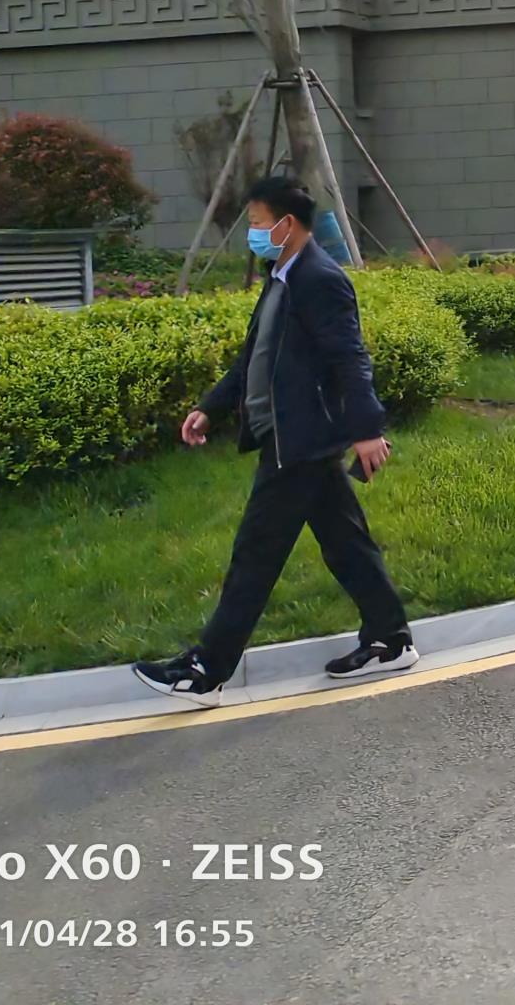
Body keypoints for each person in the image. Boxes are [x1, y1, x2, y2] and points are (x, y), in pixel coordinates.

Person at [133, 177, 410, 708]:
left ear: (287, 224)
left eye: (259, 223)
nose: (254, 233)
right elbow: (254, 357)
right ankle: (390, 639)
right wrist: (209, 407)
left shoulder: (320, 280)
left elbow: (348, 356)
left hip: (300, 443)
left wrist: (368, 428)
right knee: (346, 543)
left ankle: (206, 670)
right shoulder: (281, 276)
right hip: (291, 439)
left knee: (255, 554)